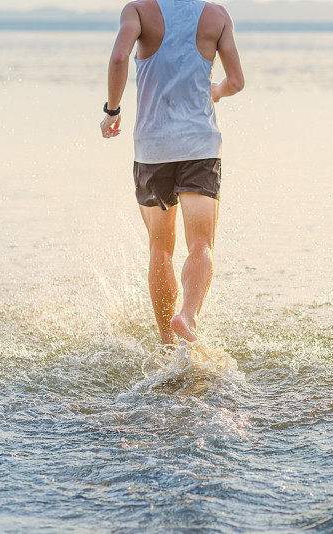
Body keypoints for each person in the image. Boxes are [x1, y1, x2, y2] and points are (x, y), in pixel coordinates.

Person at [100, 0, 244, 345]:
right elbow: (236, 81)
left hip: (153, 149)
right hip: (199, 146)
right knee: (201, 244)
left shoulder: (137, 11)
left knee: (160, 249)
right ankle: (188, 315)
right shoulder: (217, 15)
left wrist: (113, 110)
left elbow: (119, 58)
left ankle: (167, 342)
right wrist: (216, 92)